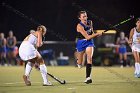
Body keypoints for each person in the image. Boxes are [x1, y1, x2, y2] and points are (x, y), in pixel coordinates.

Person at [76, 11, 103, 84]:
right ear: (79, 18)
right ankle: (78, 62)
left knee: (89, 58)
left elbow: (92, 33)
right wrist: (97, 34)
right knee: (80, 63)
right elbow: (87, 37)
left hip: (89, 42)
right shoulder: (79, 26)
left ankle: (88, 77)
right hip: (81, 42)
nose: (85, 18)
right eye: (83, 16)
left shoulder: (90, 22)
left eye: (86, 16)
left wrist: (96, 34)